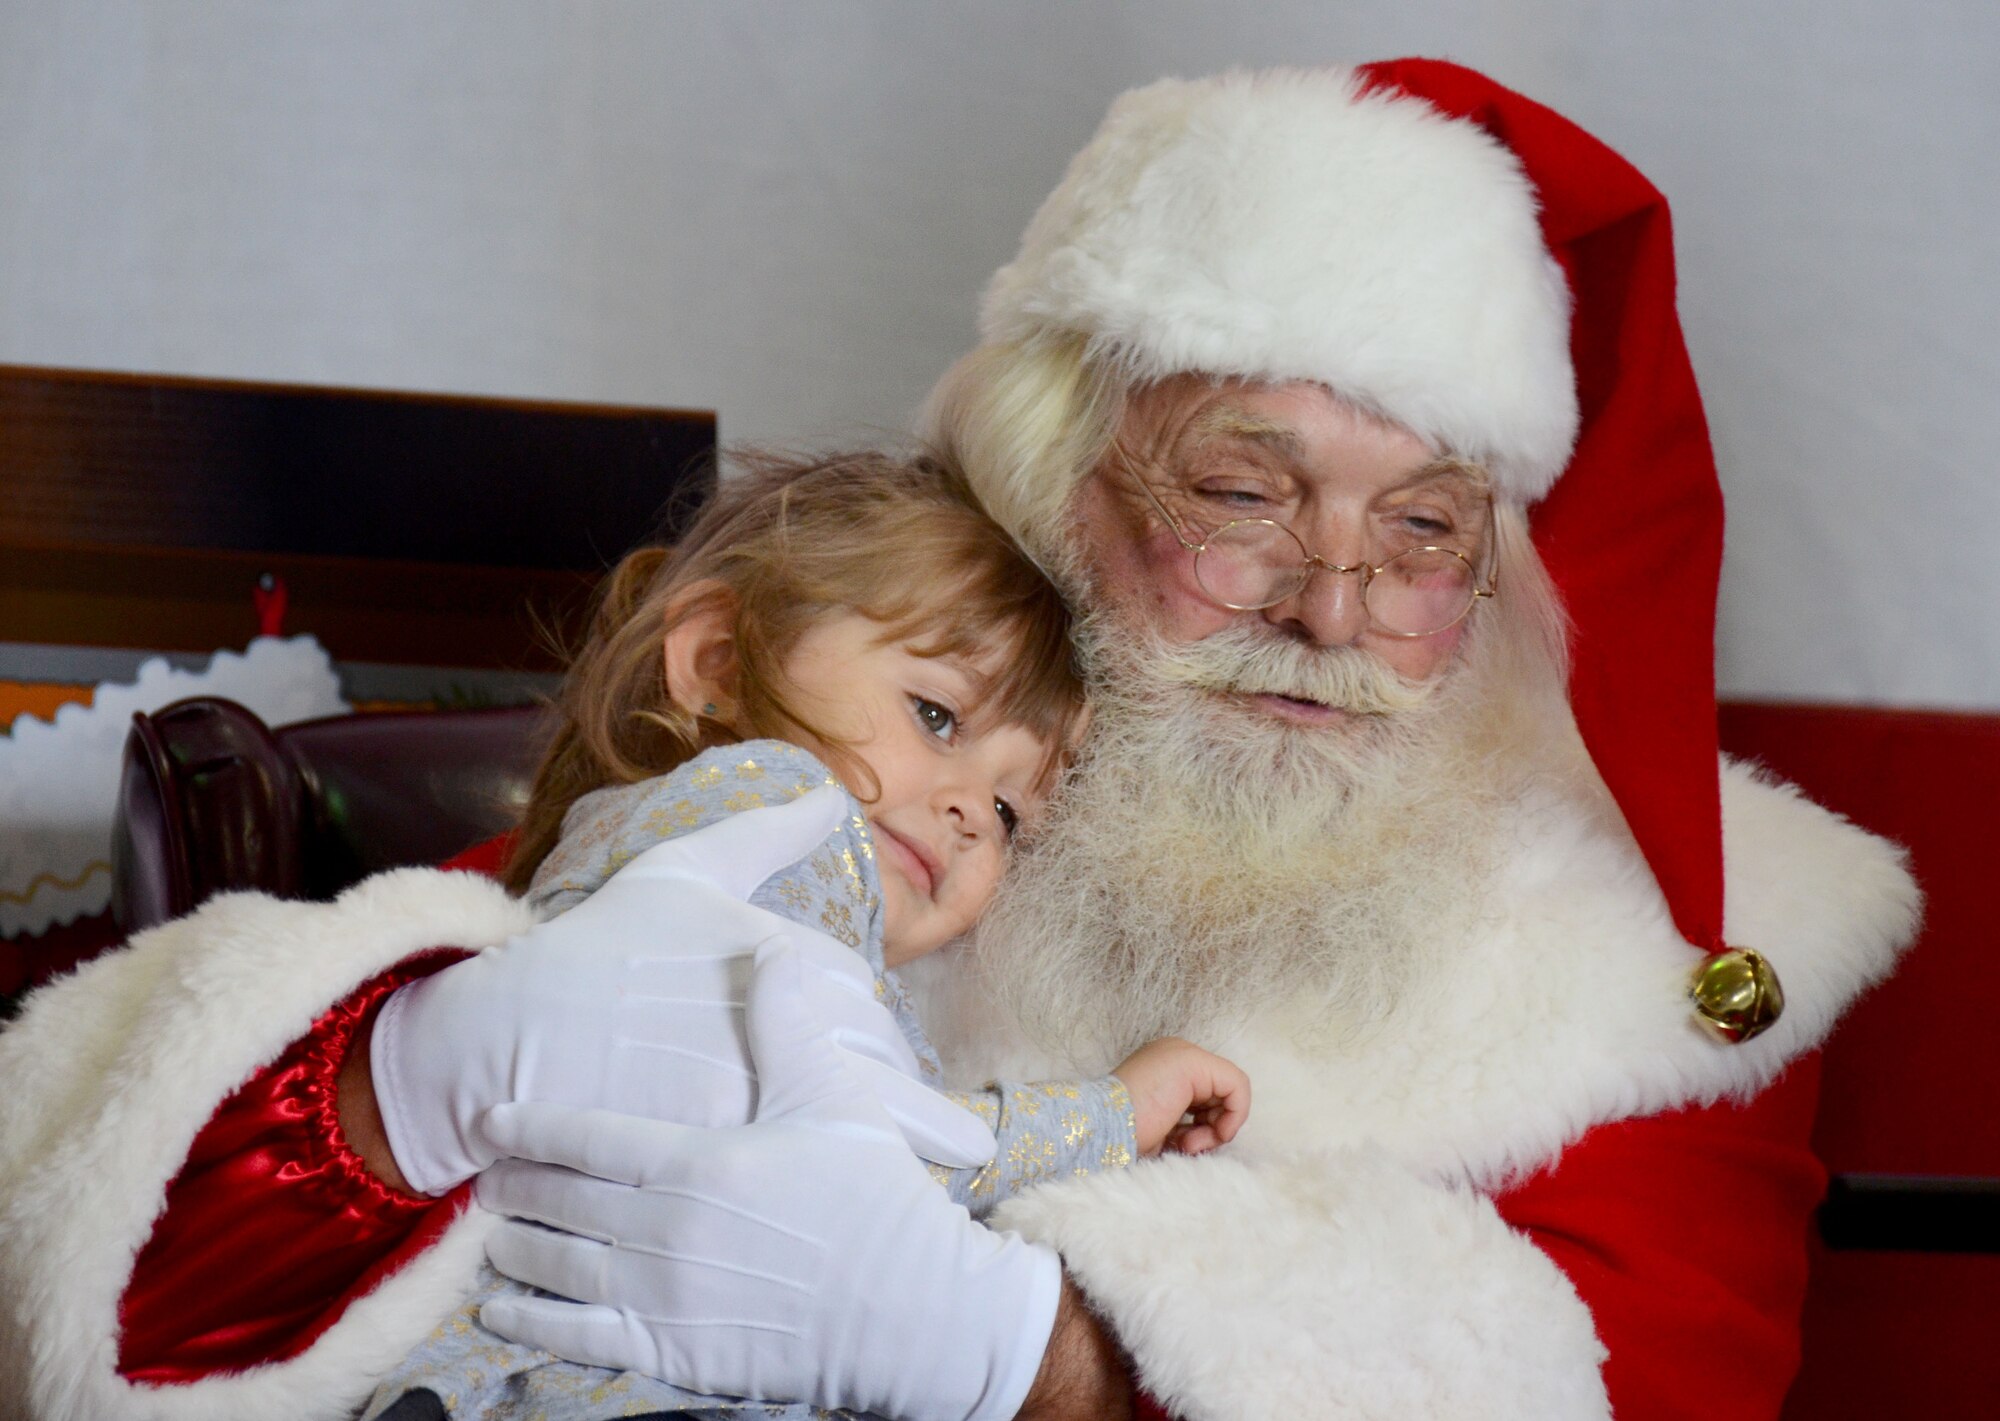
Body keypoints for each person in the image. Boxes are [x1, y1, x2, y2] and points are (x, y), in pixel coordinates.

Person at [0, 59, 1921, 1421]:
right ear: (1055, 487)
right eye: (1245, 494)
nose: (1335, 611)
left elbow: (1647, 1390)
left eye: (1424, 530)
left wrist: (1034, 1365)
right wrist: (387, 1098)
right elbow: (137, 1303)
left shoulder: (1682, 965)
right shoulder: (862, 794)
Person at [358, 449, 1249, 1420]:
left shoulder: (642, 872)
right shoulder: (762, 823)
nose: (963, 809)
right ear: (719, 661)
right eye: (935, 714)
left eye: (1007, 812)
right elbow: (904, 1170)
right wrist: (1112, 1112)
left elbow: (867, 1172)